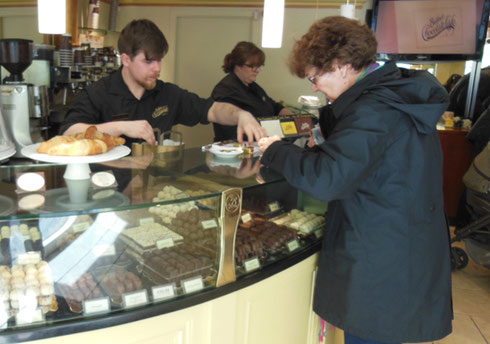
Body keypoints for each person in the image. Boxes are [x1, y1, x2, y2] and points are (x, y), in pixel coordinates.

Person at [258, 16, 452, 344]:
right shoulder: (389, 94)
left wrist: (275, 151)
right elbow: (360, 159)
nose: (314, 86)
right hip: (398, 244)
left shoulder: (373, 109)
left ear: (343, 65)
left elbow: (330, 179)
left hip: (381, 258)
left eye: (315, 77)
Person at [60, 20, 267, 146]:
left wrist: (242, 115)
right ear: (126, 59)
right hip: (108, 193)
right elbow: (69, 132)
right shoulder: (99, 92)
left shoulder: (168, 94)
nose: (157, 68)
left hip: (156, 193)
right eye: (148, 61)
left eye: (159, 60)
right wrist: (121, 127)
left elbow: (212, 109)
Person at [210, 41, 294, 142]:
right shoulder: (224, 90)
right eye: (252, 66)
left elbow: (272, 105)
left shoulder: (252, 85)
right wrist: (271, 134)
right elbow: (231, 134)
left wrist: (289, 115)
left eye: (259, 66)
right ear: (238, 65)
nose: (257, 70)